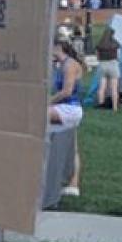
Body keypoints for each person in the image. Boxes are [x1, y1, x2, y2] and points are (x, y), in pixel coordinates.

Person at [50, 40, 86, 197]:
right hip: (67, 109)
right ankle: (73, 185)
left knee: (36, 116)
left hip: (70, 109)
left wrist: (46, 102)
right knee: (73, 148)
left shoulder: (69, 65)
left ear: (58, 48)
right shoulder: (61, 65)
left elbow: (67, 91)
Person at [95, 27, 121, 111]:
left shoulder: (99, 45)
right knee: (114, 88)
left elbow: (98, 58)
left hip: (103, 65)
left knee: (102, 87)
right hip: (113, 65)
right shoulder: (116, 44)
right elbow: (119, 57)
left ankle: (101, 104)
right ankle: (115, 107)